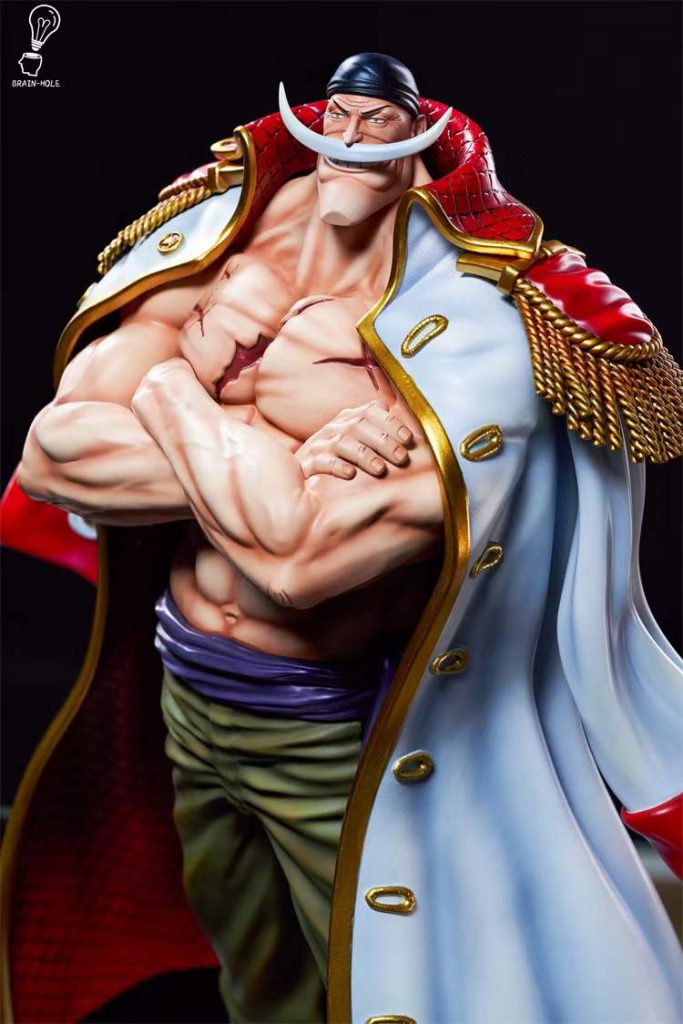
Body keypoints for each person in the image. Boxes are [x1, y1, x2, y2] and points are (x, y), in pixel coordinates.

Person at [3, 53, 683, 1024]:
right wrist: (261, 444)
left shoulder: (482, 332)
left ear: (415, 153)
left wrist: (172, 396)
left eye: (376, 133)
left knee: (378, 978)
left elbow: (301, 558)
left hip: (325, 724)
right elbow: (55, 452)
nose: (348, 149)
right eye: (337, 129)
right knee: (251, 969)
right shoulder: (230, 240)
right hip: (185, 695)